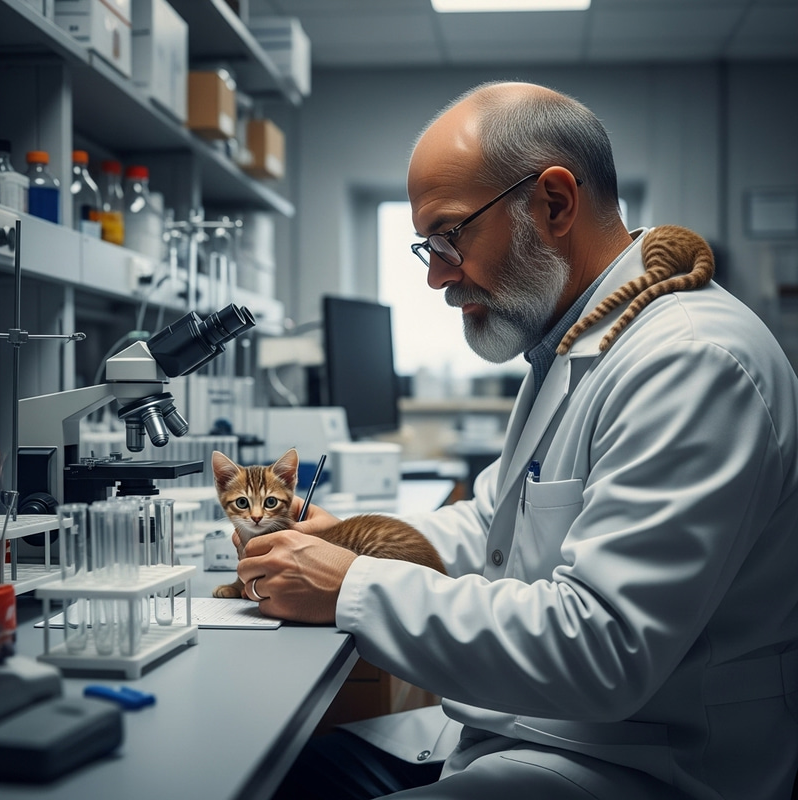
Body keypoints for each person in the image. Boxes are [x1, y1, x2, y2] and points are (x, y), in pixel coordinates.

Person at [239, 81, 798, 799]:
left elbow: (603, 648)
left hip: (640, 764)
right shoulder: (571, 340)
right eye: (426, 246)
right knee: (295, 772)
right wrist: (356, 540)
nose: (438, 276)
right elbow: (495, 519)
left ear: (555, 203)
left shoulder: (690, 362)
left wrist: (349, 585)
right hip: (537, 730)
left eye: (450, 235)